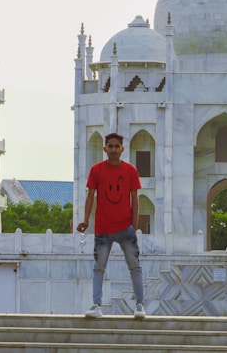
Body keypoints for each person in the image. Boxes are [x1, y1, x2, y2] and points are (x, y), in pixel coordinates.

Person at [77, 132, 145, 319]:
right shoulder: (97, 170)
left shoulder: (130, 171)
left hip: (125, 228)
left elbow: (135, 198)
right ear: (104, 148)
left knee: (135, 266)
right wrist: (86, 220)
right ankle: (96, 305)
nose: (114, 150)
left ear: (122, 149)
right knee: (99, 268)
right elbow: (91, 196)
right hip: (103, 229)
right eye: (111, 146)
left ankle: (139, 305)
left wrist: (134, 223)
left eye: (117, 147)